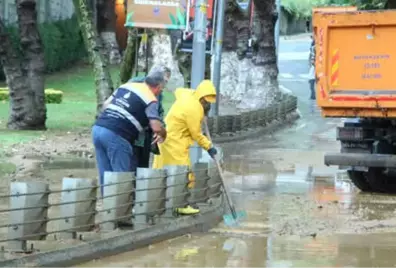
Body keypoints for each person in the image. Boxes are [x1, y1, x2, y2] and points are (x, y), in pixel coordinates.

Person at [92, 66, 168, 196]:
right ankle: (122, 212)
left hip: (98, 129)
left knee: (105, 173)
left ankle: (108, 207)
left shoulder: (127, 86)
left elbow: (105, 105)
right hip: (118, 134)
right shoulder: (151, 99)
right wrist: (163, 133)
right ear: (158, 87)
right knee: (122, 177)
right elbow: (155, 126)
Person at [152, 79, 218, 215]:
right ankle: (180, 205)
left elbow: (179, 92)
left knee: (163, 171)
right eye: (206, 101)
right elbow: (196, 134)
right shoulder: (194, 109)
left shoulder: (189, 96)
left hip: (166, 137)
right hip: (175, 142)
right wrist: (209, 147)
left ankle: (161, 203)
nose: (207, 104)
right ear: (201, 98)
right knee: (184, 173)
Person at [130, 66, 171, 168]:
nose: (164, 85)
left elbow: (159, 111)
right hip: (131, 133)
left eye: (166, 82)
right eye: (164, 81)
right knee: (130, 167)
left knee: (142, 167)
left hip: (146, 136)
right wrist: (159, 129)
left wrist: (161, 127)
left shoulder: (158, 92)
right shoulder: (135, 84)